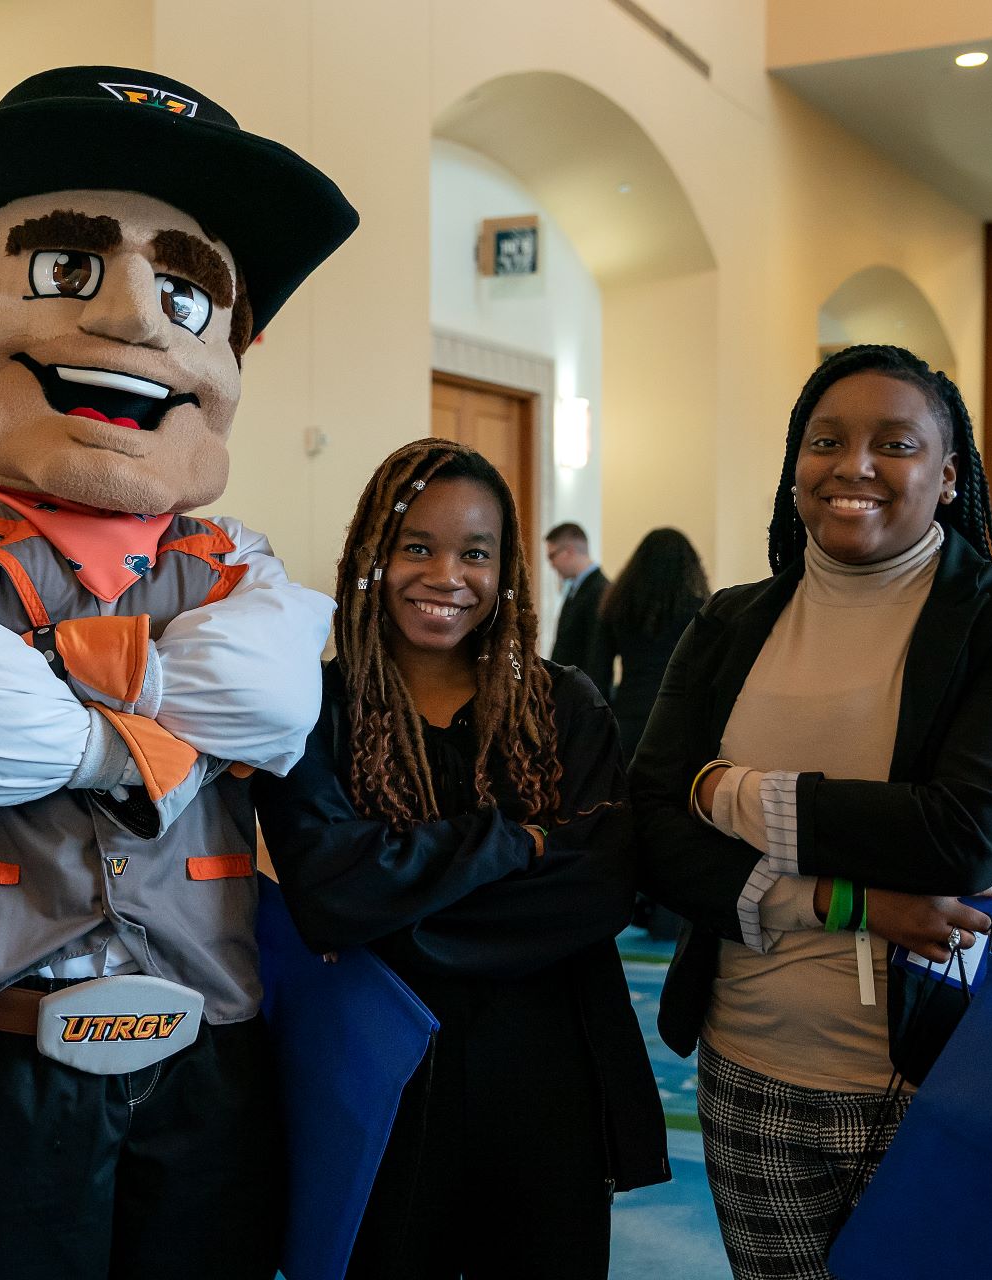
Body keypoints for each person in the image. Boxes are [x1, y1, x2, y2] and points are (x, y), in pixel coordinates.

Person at [0, 65, 355, 1279]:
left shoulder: (238, 554)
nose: (135, 317)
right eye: (71, 270)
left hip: (207, 1051)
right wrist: (147, 743)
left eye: (184, 290)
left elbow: (273, 699)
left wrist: (63, 697)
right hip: (3, 1051)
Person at [633, 345, 992, 1280]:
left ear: (950, 473)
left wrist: (730, 791)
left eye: (896, 443)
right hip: (748, 1066)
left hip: (947, 1078)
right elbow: (651, 829)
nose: (855, 465)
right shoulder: (729, 623)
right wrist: (853, 903)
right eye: (824, 440)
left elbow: (964, 836)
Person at [255, 438, 669, 1280]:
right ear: (374, 556)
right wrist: (515, 841)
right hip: (383, 1076)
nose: (447, 575)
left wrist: (402, 905)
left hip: (551, 1079)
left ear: (505, 569)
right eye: (418, 547)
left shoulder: (564, 705)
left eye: (475, 553)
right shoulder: (314, 709)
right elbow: (328, 895)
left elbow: (602, 889)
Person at [590, 526, 709, 761]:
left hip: (628, 716)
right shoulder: (697, 611)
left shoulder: (618, 607)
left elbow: (597, 673)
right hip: (678, 722)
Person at [547, 520, 607, 668]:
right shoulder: (576, 588)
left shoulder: (600, 590)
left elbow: (597, 655)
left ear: (569, 551)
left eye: (552, 555)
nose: (551, 564)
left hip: (582, 687)